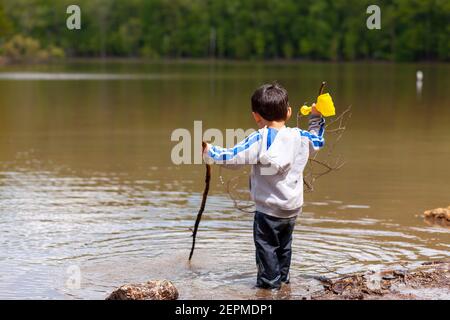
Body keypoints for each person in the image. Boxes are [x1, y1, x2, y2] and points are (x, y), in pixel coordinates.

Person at [202, 82, 325, 289]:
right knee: (284, 247)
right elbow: (318, 140)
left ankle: (269, 289)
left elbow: (233, 159)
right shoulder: (300, 137)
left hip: (268, 210)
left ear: (256, 116)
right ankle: (283, 282)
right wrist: (316, 117)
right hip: (292, 208)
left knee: (266, 248)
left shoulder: (260, 138)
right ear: (288, 112)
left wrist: (209, 150)